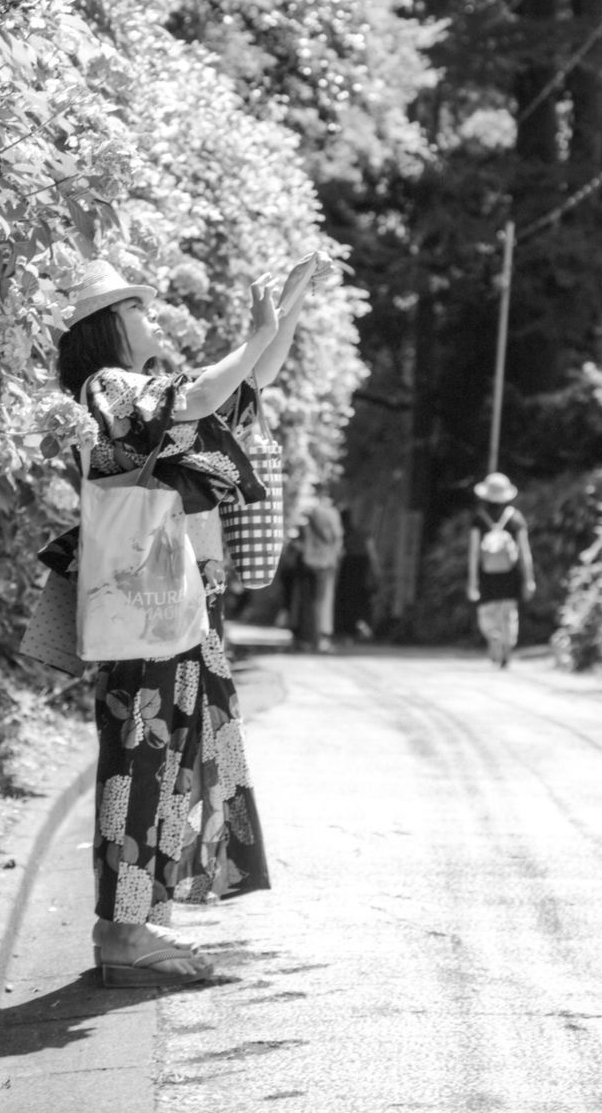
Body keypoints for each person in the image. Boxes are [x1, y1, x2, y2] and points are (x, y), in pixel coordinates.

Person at [57, 251, 323, 987]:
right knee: (142, 756)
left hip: (175, 608)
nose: (152, 317)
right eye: (137, 308)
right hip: (146, 608)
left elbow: (246, 383)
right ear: (106, 325)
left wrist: (287, 307)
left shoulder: (146, 391)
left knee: (169, 759)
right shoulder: (108, 386)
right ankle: (122, 931)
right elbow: (203, 394)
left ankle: (136, 925)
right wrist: (255, 330)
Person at [465, 472, 535, 668]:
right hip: (510, 575)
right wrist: (529, 579)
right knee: (509, 614)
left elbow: (473, 553)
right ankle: (506, 646)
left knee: (487, 614)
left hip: (487, 575)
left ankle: (494, 637)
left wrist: (472, 582)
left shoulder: (478, 519)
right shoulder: (516, 518)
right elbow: (525, 552)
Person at [293, 498, 343, 652]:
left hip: (308, 561)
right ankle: (319, 639)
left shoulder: (308, 513)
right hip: (326, 563)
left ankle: (307, 639)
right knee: (322, 602)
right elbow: (337, 538)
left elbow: (299, 541)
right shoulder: (332, 514)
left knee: (307, 602)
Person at [334, 507, 379, 642]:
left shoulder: (344, 534)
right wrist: (376, 570)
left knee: (348, 601)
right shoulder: (362, 534)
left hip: (349, 570)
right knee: (362, 601)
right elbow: (372, 553)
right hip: (362, 569)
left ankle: (351, 630)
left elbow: (338, 553)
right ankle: (363, 629)